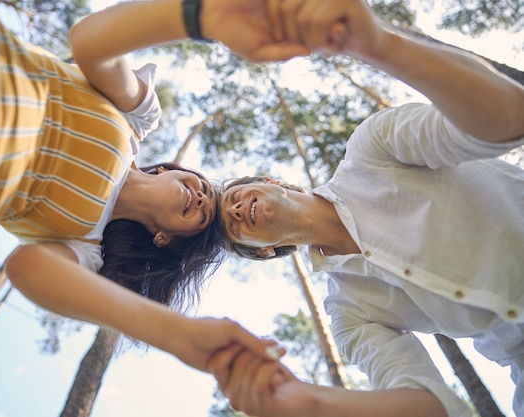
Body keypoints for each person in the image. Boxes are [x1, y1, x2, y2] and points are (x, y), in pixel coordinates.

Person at [0, 0, 299, 369]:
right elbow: (89, 41)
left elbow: (24, 269)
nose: (200, 195)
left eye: (203, 213)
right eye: (203, 187)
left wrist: (173, 334)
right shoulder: (136, 121)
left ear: (165, 238)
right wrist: (203, 16)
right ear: (168, 171)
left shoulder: (87, 248)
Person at [208, 0, 524, 416]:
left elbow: (507, 119)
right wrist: (305, 402)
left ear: (271, 182)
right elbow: (428, 403)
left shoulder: (371, 150)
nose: (233, 212)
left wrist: (377, 43)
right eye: (233, 230)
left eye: (232, 198)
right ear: (266, 251)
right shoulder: (348, 315)